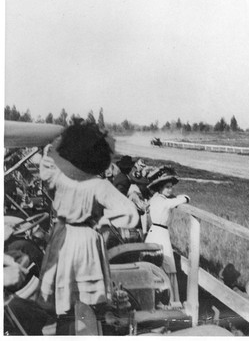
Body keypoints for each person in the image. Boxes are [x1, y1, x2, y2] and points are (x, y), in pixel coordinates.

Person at [36, 123, 138, 335]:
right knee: (85, 296)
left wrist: (59, 142)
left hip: (63, 235)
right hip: (85, 239)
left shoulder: (60, 178)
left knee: (65, 295)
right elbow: (130, 214)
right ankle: (86, 328)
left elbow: (45, 166)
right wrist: (104, 220)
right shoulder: (98, 185)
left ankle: (68, 328)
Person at [145, 166, 189, 302]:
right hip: (160, 234)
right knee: (167, 263)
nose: (170, 190)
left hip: (154, 233)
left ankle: (156, 297)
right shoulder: (163, 201)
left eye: (171, 187)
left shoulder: (156, 198)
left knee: (156, 264)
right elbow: (177, 201)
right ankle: (169, 300)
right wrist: (186, 197)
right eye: (167, 187)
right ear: (160, 187)